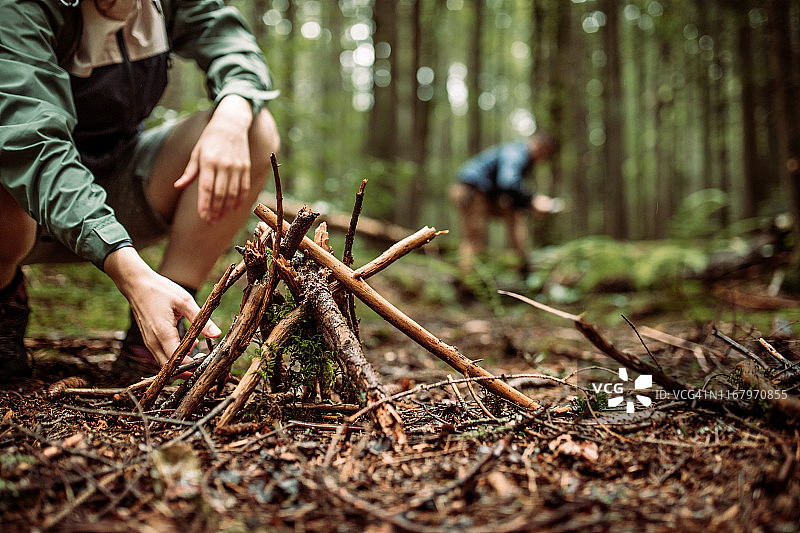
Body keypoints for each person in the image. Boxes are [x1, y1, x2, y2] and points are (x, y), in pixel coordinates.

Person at [0, 0, 280, 382]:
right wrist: (130, 272)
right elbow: (33, 143)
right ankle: (4, 307)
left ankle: (161, 329)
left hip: (120, 184)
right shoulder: (18, 10)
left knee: (253, 130)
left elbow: (231, 42)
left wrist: (234, 109)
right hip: (21, 208)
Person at [450, 132, 559, 277]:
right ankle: (466, 282)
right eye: (541, 151)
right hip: (471, 190)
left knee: (515, 215)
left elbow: (509, 192)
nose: (540, 157)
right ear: (535, 144)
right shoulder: (517, 153)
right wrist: (532, 200)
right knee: (473, 239)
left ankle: (523, 267)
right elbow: (508, 183)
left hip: (485, 193)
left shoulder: (523, 158)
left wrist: (528, 205)